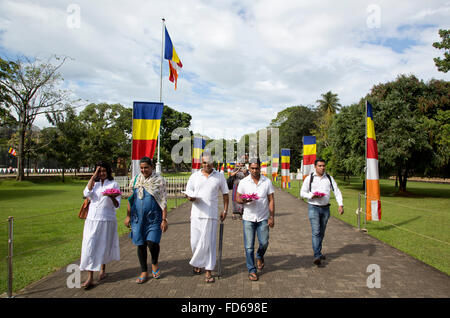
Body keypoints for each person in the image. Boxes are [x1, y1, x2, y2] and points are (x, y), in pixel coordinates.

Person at [184, 152, 229, 283]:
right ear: (201, 163)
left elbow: (225, 194)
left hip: (211, 215)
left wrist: (225, 210)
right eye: (204, 162)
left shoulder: (219, 176)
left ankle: (208, 271)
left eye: (209, 162)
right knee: (195, 242)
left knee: (209, 244)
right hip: (196, 214)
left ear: (213, 163)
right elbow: (188, 192)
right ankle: (197, 262)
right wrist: (190, 197)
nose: (207, 165)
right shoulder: (194, 176)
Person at [124, 157, 168, 284]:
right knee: (140, 243)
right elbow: (131, 199)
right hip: (137, 218)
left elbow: (163, 201)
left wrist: (164, 219)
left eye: (146, 167)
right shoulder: (136, 180)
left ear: (152, 167)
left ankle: (154, 264)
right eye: (142, 168)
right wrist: (128, 216)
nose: (144, 170)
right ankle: (144, 271)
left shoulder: (159, 180)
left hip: (153, 218)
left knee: (152, 242)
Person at [80, 161, 121, 289]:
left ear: (108, 171)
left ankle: (102, 270)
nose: (102, 173)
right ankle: (90, 277)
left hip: (107, 220)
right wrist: (93, 176)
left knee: (103, 245)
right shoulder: (95, 184)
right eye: (100, 171)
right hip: (92, 220)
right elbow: (86, 193)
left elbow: (117, 205)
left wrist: (112, 196)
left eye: (104, 171)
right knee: (89, 247)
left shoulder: (113, 184)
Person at [236, 157, 275, 281]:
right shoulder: (244, 182)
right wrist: (244, 200)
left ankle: (259, 256)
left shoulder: (267, 181)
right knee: (248, 246)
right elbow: (237, 198)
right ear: (249, 168)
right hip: (248, 218)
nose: (254, 170)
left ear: (260, 168)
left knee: (264, 242)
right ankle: (251, 270)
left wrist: (272, 216)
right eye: (252, 168)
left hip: (263, 217)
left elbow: (271, 199)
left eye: (256, 168)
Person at [300, 158, 344, 266]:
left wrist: (340, 204)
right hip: (313, 207)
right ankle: (317, 255)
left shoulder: (329, 178)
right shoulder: (309, 178)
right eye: (320, 166)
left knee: (322, 232)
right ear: (315, 167)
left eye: (323, 166)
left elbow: (337, 191)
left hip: (325, 209)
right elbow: (302, 192)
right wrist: (311, 195)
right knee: (316, 231)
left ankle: (318, 252)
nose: (322, 168)